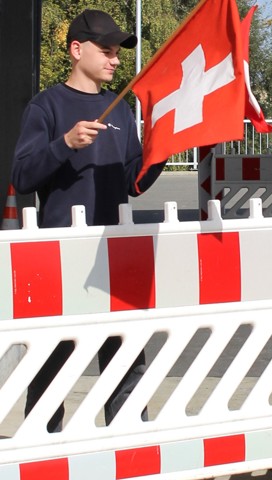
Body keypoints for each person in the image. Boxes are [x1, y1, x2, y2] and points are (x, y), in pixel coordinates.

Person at [11, 9, 165, 432]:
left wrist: (162, 149)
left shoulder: (119, 109)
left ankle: (129, 438)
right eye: (107, 51)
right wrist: (65, 143)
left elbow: (134, 182)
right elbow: (22, 175)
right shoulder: (47, 106)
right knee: (55, 358)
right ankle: (43, 441)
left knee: (124, 353)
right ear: (77, 50)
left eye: (117, 53)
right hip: (63, 255)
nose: (115, 60)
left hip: (115, 251)